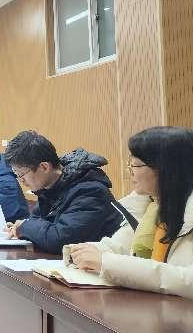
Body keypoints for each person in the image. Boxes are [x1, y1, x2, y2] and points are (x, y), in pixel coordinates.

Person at [67, 127, 193, 300]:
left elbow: (187, 280)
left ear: (166, 169)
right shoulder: (151, 205)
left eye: (136, 164)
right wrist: (84, 252)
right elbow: (121, 245)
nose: (130, 170)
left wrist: (107, 263)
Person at [4, 130, 120, 254]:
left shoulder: (90, 191)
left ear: (44, 167)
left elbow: (62, 240)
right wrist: (19, 228)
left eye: (22, 174)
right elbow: (37, 223)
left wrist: (25, 227)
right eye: (17, 175)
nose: (21, 181)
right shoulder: (49, 188)